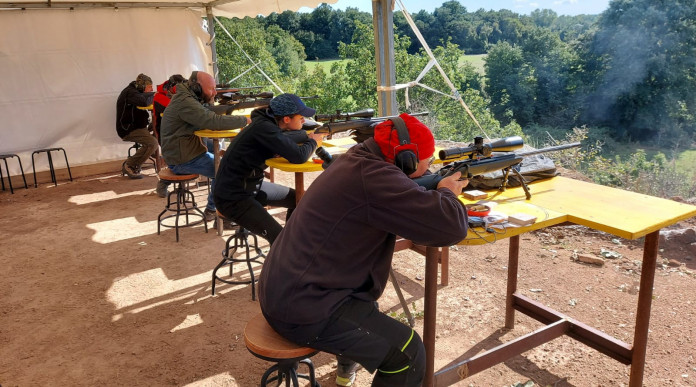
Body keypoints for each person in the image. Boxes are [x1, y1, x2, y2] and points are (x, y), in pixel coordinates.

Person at [258, 113, 469, 386]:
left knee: (367, 305)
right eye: (425, 163)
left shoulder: (357, 158)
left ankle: (347, 367)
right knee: (407, 353)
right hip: (303, 307)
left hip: (289, 290)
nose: (428, 169)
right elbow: (451, 227)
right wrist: (448, 191)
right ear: (406, 159)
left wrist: (429, 186)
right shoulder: (376, 178)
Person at [213, 93, 325, 245]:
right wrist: (313, 142)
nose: (304, 121)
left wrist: (301, 140)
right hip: (233, 197)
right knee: (280, 240)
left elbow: (285, 141)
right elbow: (298, 156)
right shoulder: (265, 128)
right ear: (286, 119)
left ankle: (290, 239)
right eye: (301, 118)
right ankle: (283, 248)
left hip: (249, 186)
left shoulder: (265, 124)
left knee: (300, 199)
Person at [159, 71, 251, 220]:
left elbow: (207, 114)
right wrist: (245, 120)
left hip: (185, 153)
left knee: (225, 165)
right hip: (182, 159)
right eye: (211, 89)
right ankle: (214, 211)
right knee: (225, 171)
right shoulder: (186, 102)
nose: (214, 92)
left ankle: (216, 208)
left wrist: (210, 99)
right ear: (196, 87)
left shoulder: (187, 97)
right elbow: (213, 121)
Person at [116, 73, 157, 179]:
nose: (151, 89)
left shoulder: (136, 91)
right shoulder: (130, 92)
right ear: (142, 86)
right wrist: (154, 95)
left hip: (138, 126)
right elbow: (143, 101)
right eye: (149, 87)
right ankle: (130, 164)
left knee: (159, 128)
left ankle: (152, 154)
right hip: (128, 129)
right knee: (152, 143)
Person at [153, 74, 186, 198]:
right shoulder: (159, 96)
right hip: (165, 134)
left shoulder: (171, 93)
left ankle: (176, 184)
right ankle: (164, 183)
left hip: (177, 132)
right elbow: (177, 109)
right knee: (180, 160)